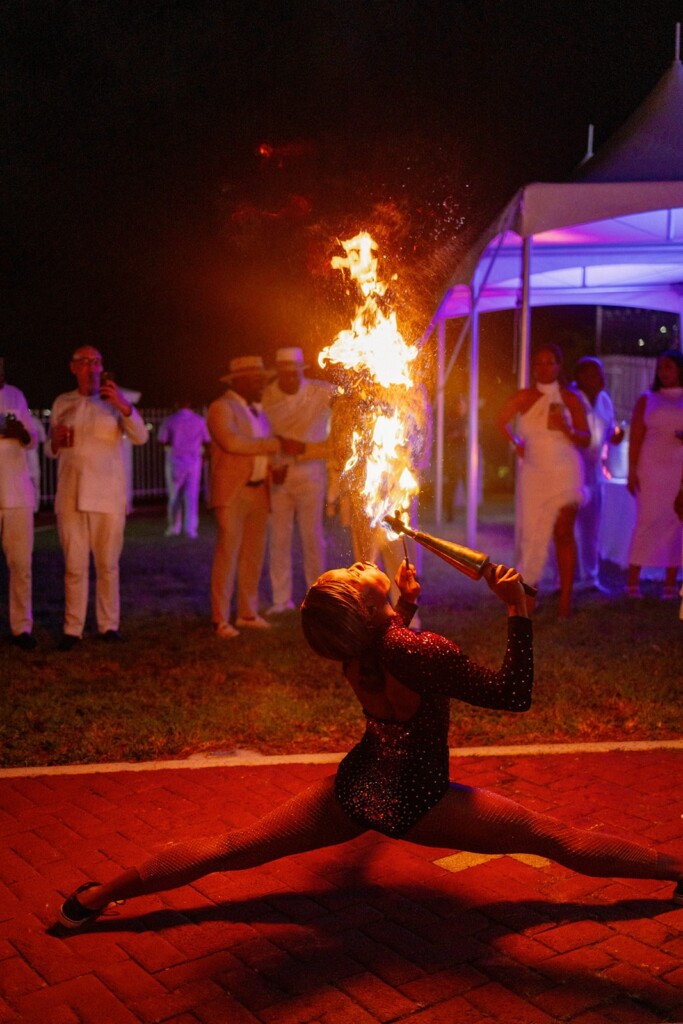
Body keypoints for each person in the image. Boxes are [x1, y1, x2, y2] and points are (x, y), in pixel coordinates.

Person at [56, 557, 683, 930]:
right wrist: (517, 610)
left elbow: (392, 656)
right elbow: (515, 693)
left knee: (232, 847)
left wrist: (403, 608)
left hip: (356, 789)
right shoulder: (416, 649)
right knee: (553, 838)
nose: (361, 563)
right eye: (353, 570)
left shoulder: (359, 647)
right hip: (420, 802)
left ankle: (98, 897)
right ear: (363, 602)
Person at [47, 346, 149, 649]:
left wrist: (122, 405)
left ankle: (108, 625)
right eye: (84, 362)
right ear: (73, 367)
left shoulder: (117, 401)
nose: (91, 367)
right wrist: (52, 442)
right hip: (70, 495)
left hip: (108, 496)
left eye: (97, 362)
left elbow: (141, 436)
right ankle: (72, 628)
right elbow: (49, 450)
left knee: (107, 565)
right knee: (74, 566)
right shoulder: (62, 402)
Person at [207, 355, 304, 638]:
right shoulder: (220, 408)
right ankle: (219, 619)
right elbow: (233, 442)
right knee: (228, 554)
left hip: (260, 490)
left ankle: (247, 613)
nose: (263, 384)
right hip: (233, 492)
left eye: (263, 379)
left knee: (253, 555)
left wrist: (272, 470)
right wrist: (277, 444)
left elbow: (258, 450)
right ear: (238, 381)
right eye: (257, 379)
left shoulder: (259, 412)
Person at [496, 344, 590, 618]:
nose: (544, 368)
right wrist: (516, 444)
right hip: (534, 472)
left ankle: (565, 601)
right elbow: (500, 420)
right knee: (533, 533)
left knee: (563, 533)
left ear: (559, 366)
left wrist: (567, 429)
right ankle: (530, 596)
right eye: (539, 363)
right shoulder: (524, 397)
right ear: (533, 366)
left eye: (550, 363)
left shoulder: (570, 398)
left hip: (565, 470)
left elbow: (586, 439)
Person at [261, 347, 334, 613]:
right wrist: (272, 462)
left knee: (312, 537)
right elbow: (262, 432)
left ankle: (317, 597)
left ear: (300, 372)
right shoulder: (269, 395)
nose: (289, 379)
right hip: (281, 474)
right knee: (278, 538)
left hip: (311, 474)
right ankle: (282, 599)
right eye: (284, 374)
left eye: (293, 374)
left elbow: (347, 406)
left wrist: (305, 448)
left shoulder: (321, 391)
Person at [625, 349, 683, 599]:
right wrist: (631, 470)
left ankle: (670, 583)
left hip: (678, 466)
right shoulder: (647, 398)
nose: (664, 372)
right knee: (646, 520)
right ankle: (632, 581)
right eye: (660, 368)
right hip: (650, 466)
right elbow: (635, 437)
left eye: (669, 367)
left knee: (675, 520)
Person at [572, 357, 624, 592]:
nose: (600, 378)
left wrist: (615, 436)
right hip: (571, 469)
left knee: (592, 526)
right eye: (594, 374)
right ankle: (564, 578)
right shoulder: (570, 397)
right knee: (568, 526)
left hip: (594, 472)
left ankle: (591, 577)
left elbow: (609, 431)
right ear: (581, 376)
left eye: (600, 373)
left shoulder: (604, 400)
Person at [0, 357, 38, 651]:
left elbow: (32, 439)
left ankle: (21, 626)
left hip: (16, 493)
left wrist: (19, 433)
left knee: (21, 564)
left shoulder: (16, 396)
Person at [157, 400, 211, 539]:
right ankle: (191, 529)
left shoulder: (170, 420)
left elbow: (162, 440)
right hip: (194, 461)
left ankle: (174, 527)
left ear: (177, 405)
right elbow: (207, 440)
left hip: (175, 460)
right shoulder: (200, 420)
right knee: (192, 496)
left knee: (174, 496)